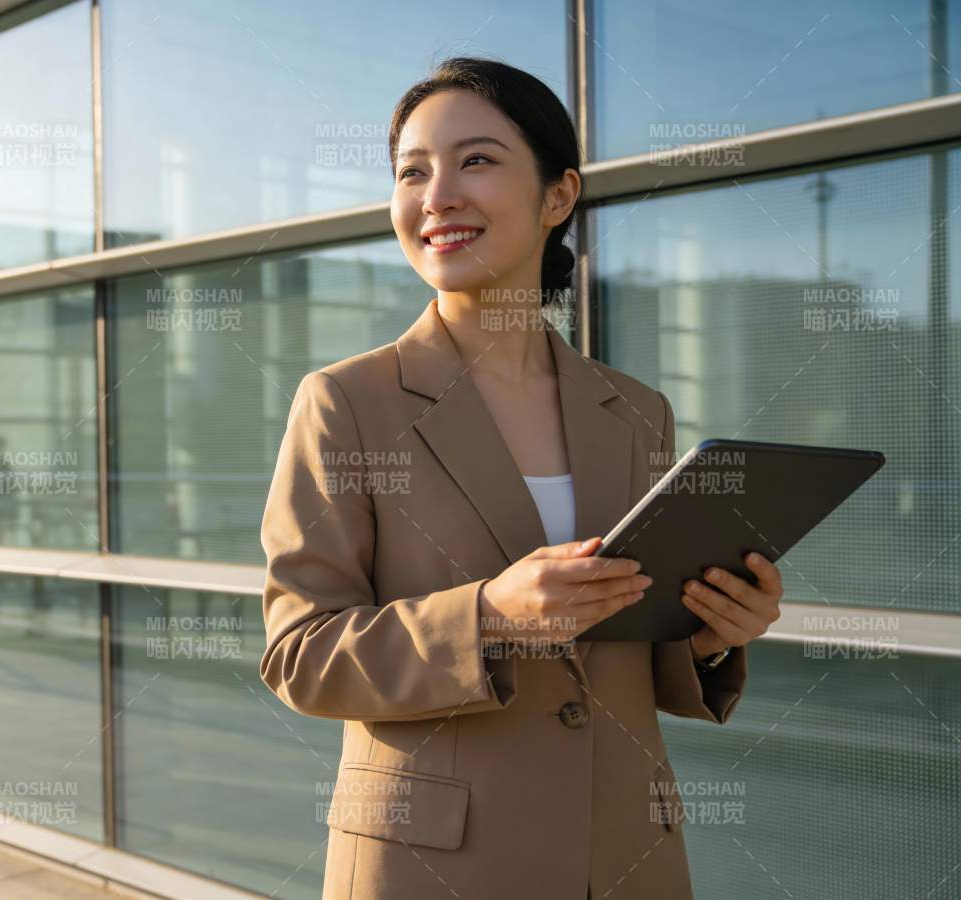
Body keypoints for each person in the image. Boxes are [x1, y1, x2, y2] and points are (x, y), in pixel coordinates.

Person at [258, 57, 784, 900]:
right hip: (431, 866)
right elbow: (300, 654)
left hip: (623, 854)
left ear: (557, 196)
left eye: (475, 160)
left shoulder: (638, 412)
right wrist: (490, 616)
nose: (436, 196)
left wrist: (715, 629)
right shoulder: (346, 403)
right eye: (411, 172)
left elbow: (632, 649)